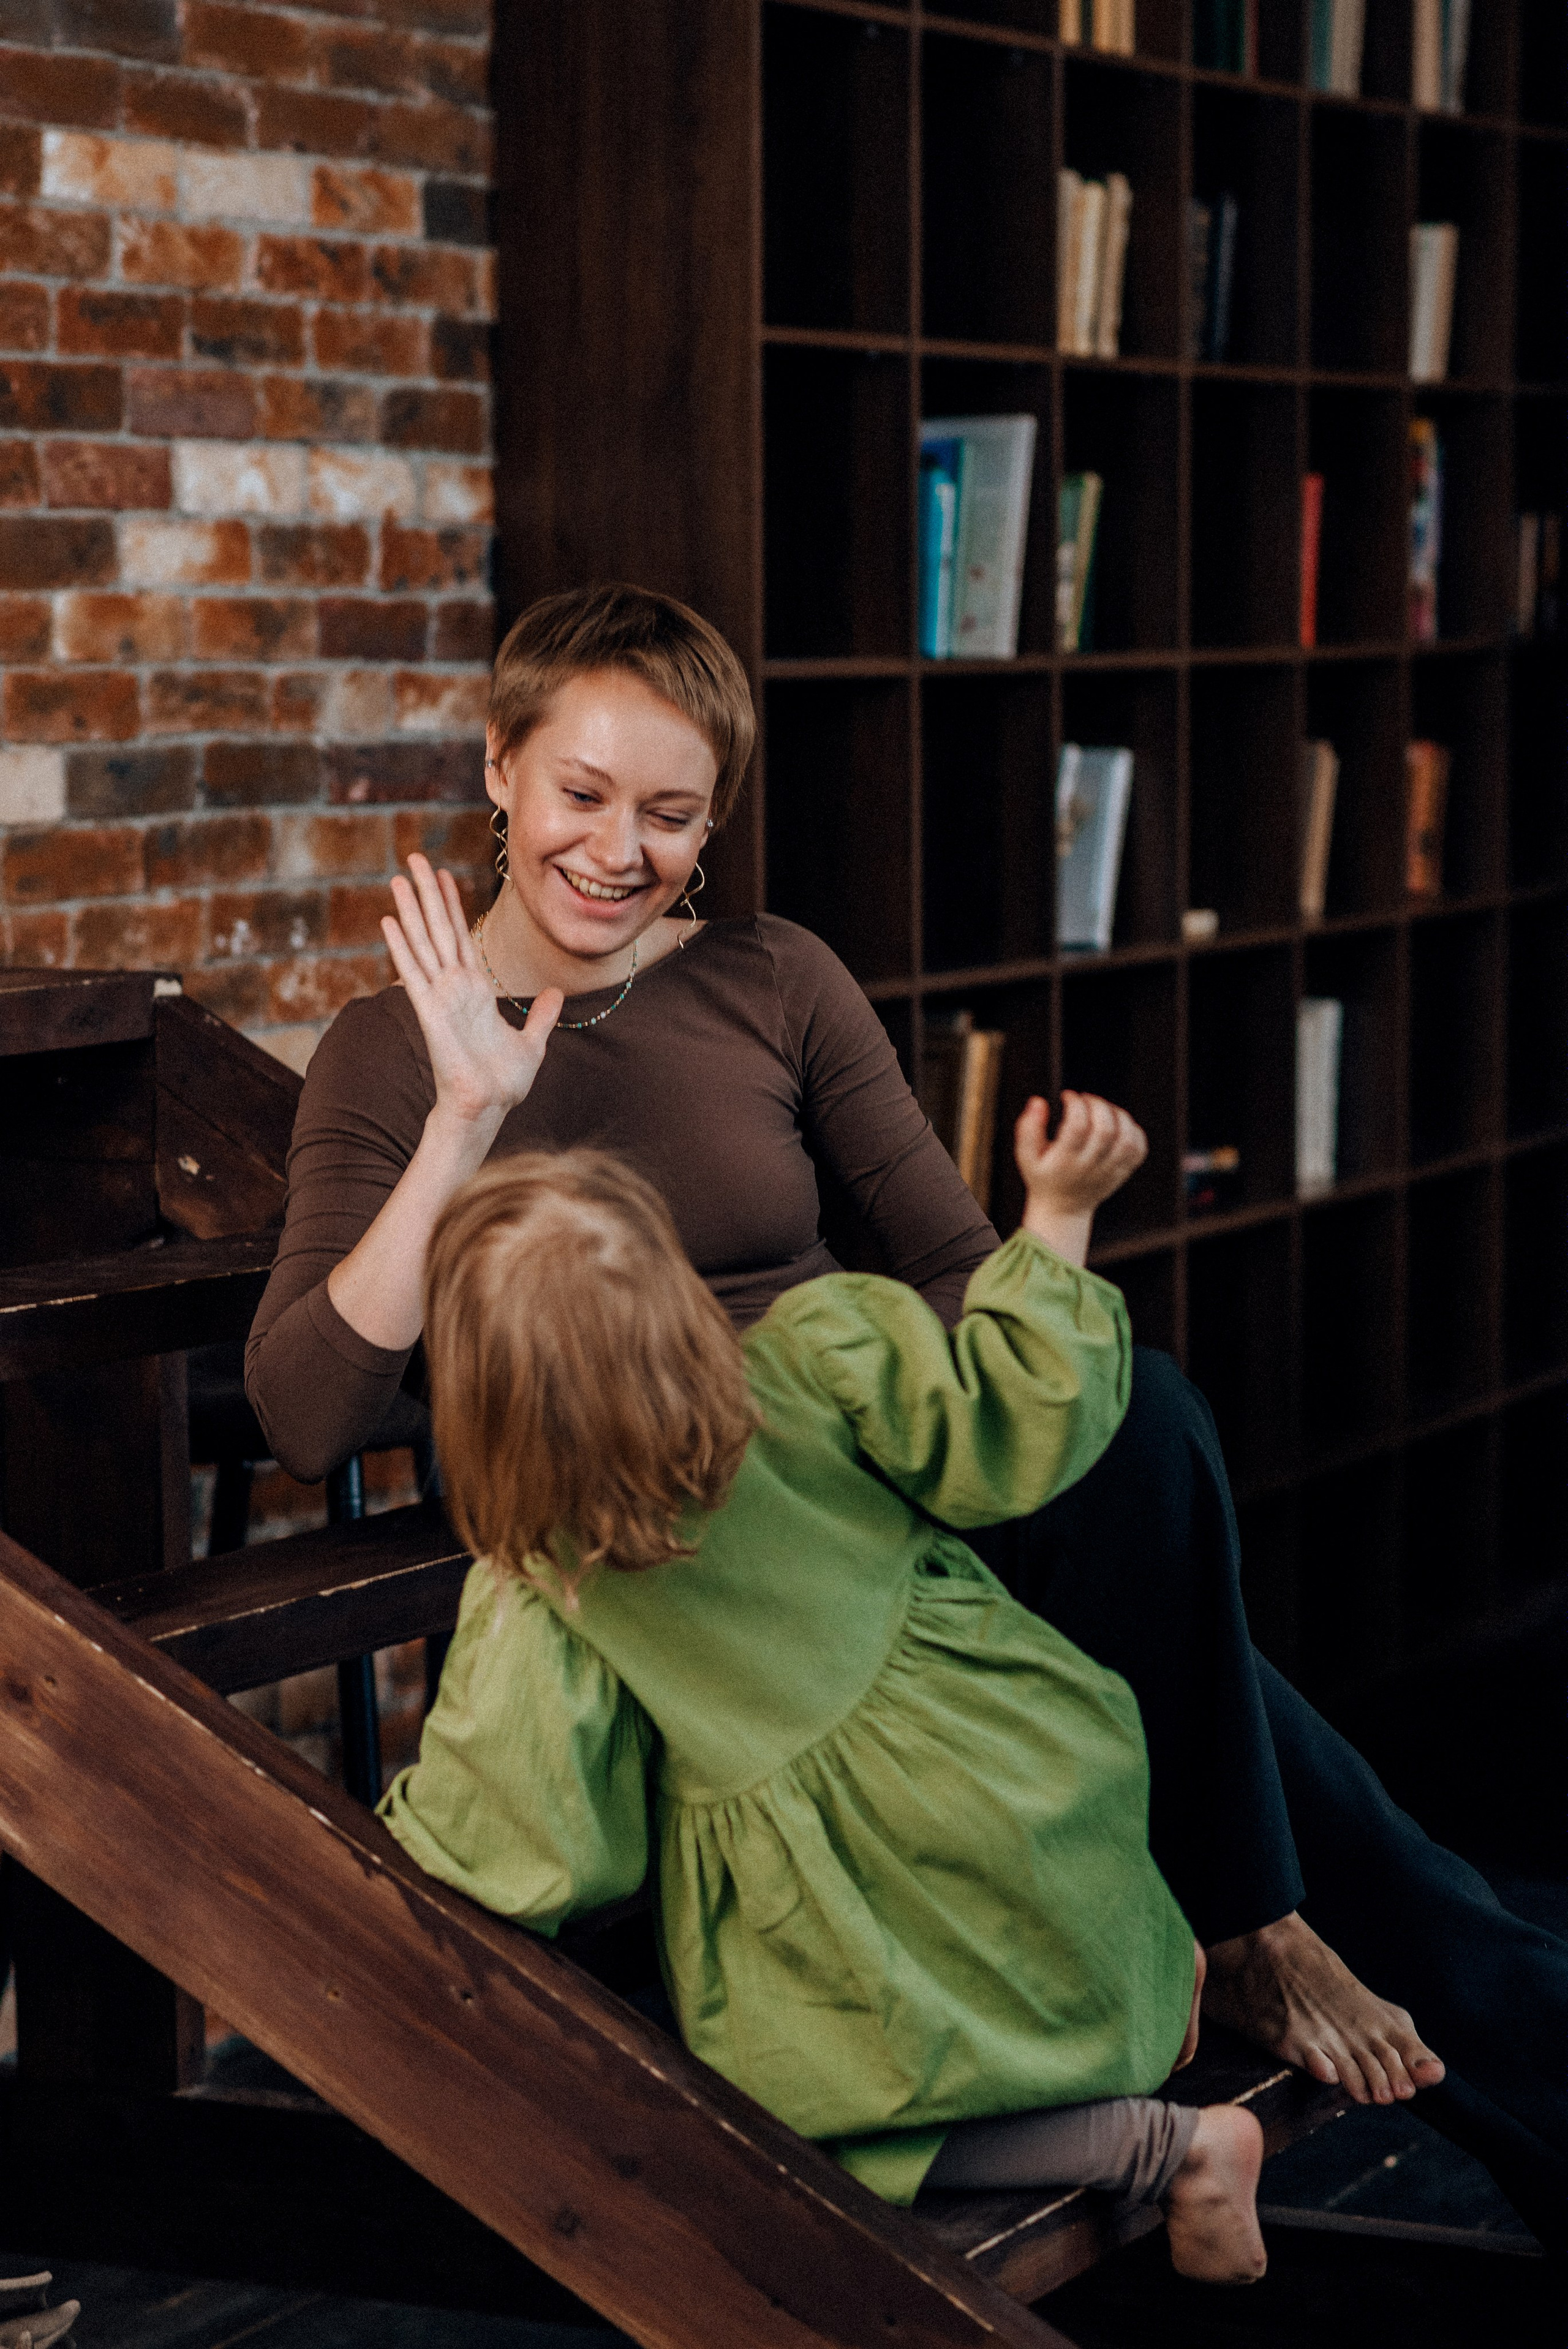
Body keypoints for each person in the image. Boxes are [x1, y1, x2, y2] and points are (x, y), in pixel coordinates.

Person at [246, 583, 1568, 2250]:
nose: (619, 848)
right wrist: (463, 1118)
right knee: (1328, 1805)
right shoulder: (391, 1050)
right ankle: (1262, 1915)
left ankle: (1263, 1918)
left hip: (868, 1482)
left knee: (1143, 1422)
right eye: (582, 793)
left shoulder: (773, 977)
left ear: (713, 818)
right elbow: (307, 1407)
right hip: (666, 1549)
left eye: (671, 810)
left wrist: (890, 1405)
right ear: (500, 769)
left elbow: (952, 1262)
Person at [380, 1118, 1269, 2281]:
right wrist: (1054, 1222)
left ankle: (1180, 2150)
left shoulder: (552, 1590)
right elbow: (1007, 1424)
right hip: (1039, 1782)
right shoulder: (814, 1350)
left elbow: (545, 1839)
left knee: (789, 2135)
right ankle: (1148, 1971)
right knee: (1033, 1935)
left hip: (876, 1901)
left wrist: (410, 1841)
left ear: (480, 1400)